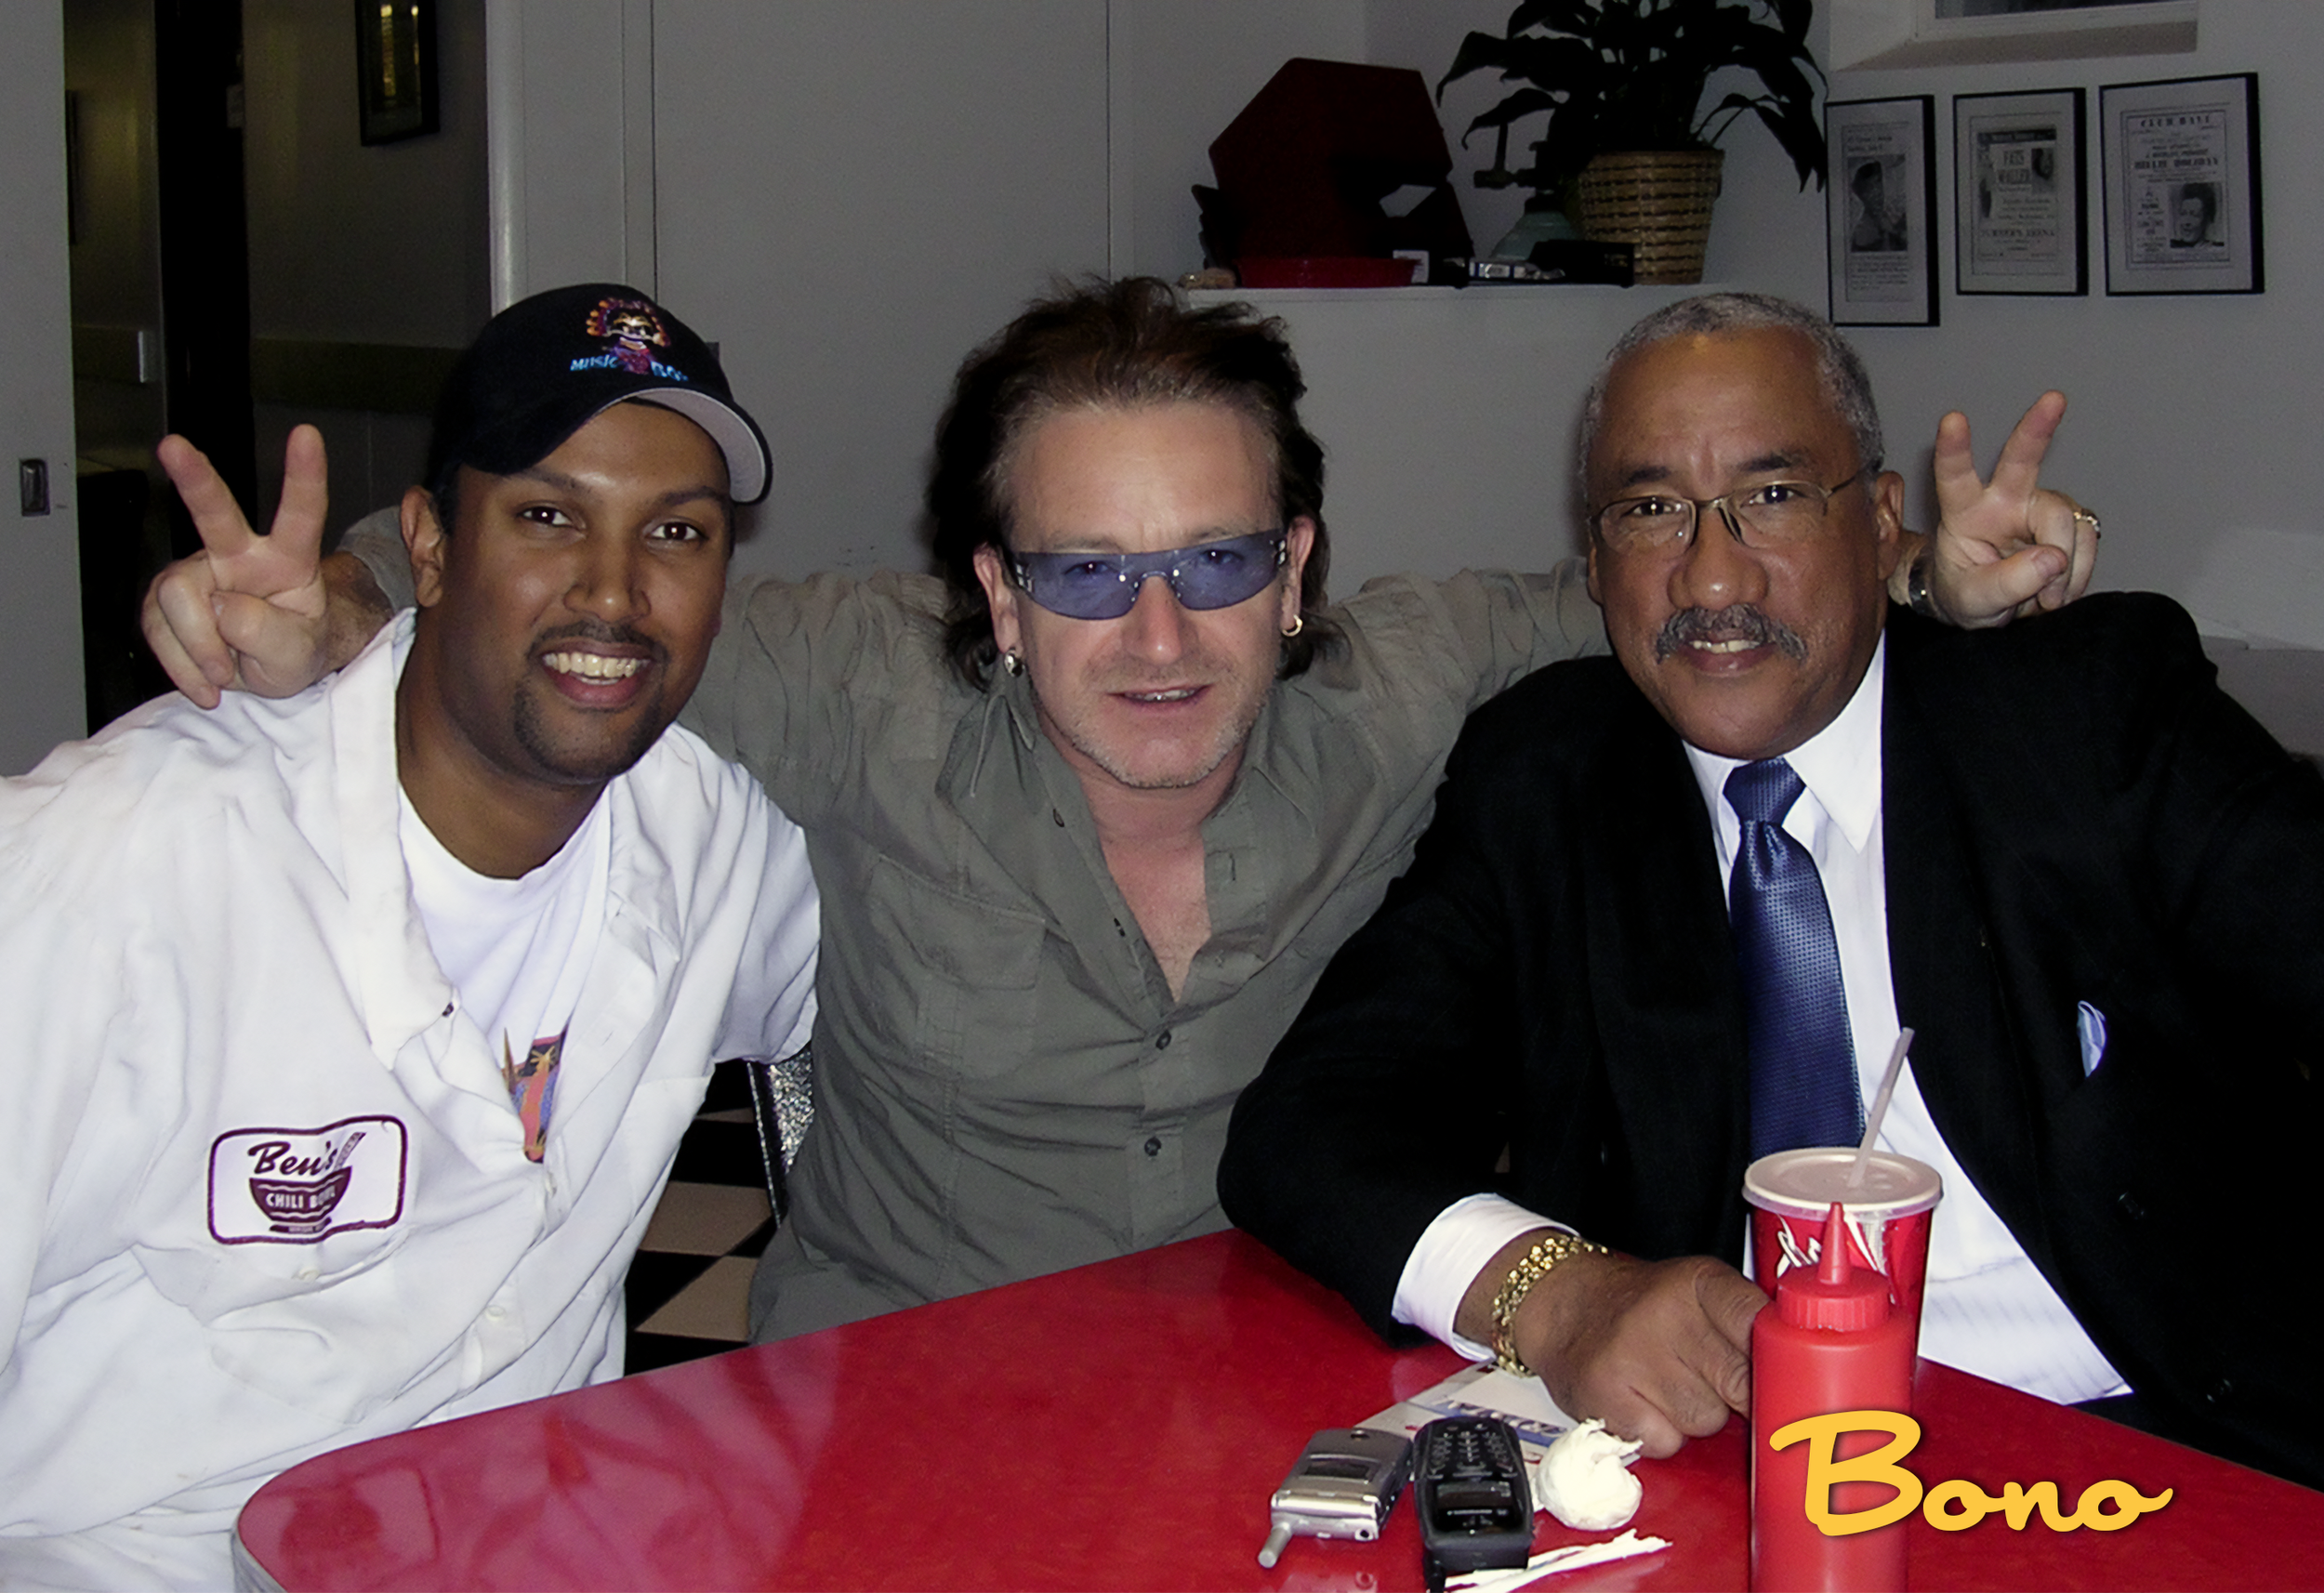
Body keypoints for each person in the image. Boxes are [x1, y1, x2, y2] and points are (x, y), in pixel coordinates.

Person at [139, 278, 2093, 1346]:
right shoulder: (845, 684)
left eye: (1218, 564)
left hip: (1309, 1397)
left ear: (1302, 565)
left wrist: (1923, 586)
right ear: (992, 596)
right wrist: (334, 618)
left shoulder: (1415, 677)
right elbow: (580, 609)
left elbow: (1701, 604)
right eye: (1079, 573)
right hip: (892, 1401)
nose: (1157, 635)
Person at [1217, 292, 2324, 1490]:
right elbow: (1309, 1125)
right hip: (1744, 1474)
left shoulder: (2076, 721)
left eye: (1776, 495)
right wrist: (1560, 1296)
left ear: (1884, 523)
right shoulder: (1550, 783)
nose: (1712, 575)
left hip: (2153, 1444)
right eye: (1650, 511)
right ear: (1592, 561)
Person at [0, 283, 820, 1592]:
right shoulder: (117, 863)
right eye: (548, 516)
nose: (614, 590)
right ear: (428, 547)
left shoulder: (713, 845)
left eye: (677, 530)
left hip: (521, 1541)